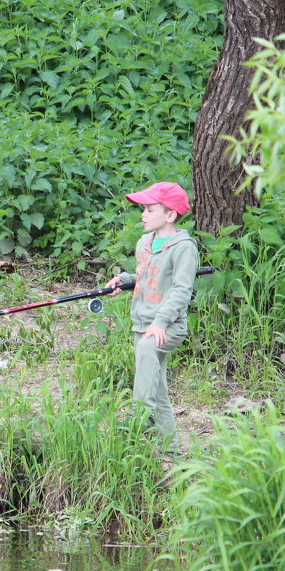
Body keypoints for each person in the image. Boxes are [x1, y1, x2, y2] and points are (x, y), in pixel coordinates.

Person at [105, 181, 199, 457]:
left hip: (168, 326)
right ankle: (171, 453)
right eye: (142, 209)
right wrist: (124, 280)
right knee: (158, 391)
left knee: (147, 350)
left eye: (149, 209)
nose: (143, 215)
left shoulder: (183, 247)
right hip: (142, 323)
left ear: (170, 215)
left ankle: (140, 417)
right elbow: (146, 277)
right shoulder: (144, 242)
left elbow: (182, 290)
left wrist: (160, 322)